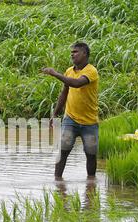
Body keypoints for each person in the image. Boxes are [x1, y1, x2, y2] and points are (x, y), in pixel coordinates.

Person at [42, 42, 99, 179]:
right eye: (71, 52)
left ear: (84, 53)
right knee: (63, 151)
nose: (72, 54)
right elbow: (64, 93)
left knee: (91, 154)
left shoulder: (91, 71)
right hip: (71, 119)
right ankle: (57, 182)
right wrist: (55, 114)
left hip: (89, 121)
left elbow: (77, 83)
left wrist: (55, 74)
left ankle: (91, 184)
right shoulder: (69, 71)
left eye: (75, 52)